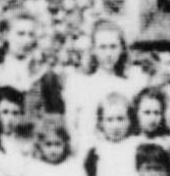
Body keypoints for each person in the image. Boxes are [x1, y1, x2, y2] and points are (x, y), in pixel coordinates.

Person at [59, 20, 142, 153]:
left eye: (113, 47)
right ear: (93, 50)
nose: (108, 54)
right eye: (103, 47)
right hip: (88, 151)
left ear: (122, 49)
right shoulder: (79, 83)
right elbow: (71, 125)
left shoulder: (130, 86)